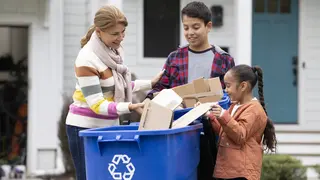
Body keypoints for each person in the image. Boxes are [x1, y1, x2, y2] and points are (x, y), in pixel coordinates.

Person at [65, 5, 163, 180]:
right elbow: (97, 104)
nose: (120, 38)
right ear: (99, 31)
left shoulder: (112, 51)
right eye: (115, 34)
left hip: (108, 127)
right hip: (84, 128)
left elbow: (118, 86)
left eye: (123, 32)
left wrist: (150, 83)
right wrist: (130, 106)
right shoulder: (87, 59)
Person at [147, 1, 235, 99]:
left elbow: (233, 94)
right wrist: (148, 99)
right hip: (179, 113)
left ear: (208, 26)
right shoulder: (174, 58)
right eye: (186, 28)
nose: (190, 32)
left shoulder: (224, 60)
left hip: (213, 113)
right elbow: (160, 88)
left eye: (196, 27)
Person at [206, 64, 277, 180]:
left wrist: (223, 115)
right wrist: (211, 116)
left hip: (240, 173)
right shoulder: (235, 105)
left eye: (228, 86)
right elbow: (225, 132)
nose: (226, 90)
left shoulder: (254, 110)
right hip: (229, 170)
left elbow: (240, 135)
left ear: (243, 86)